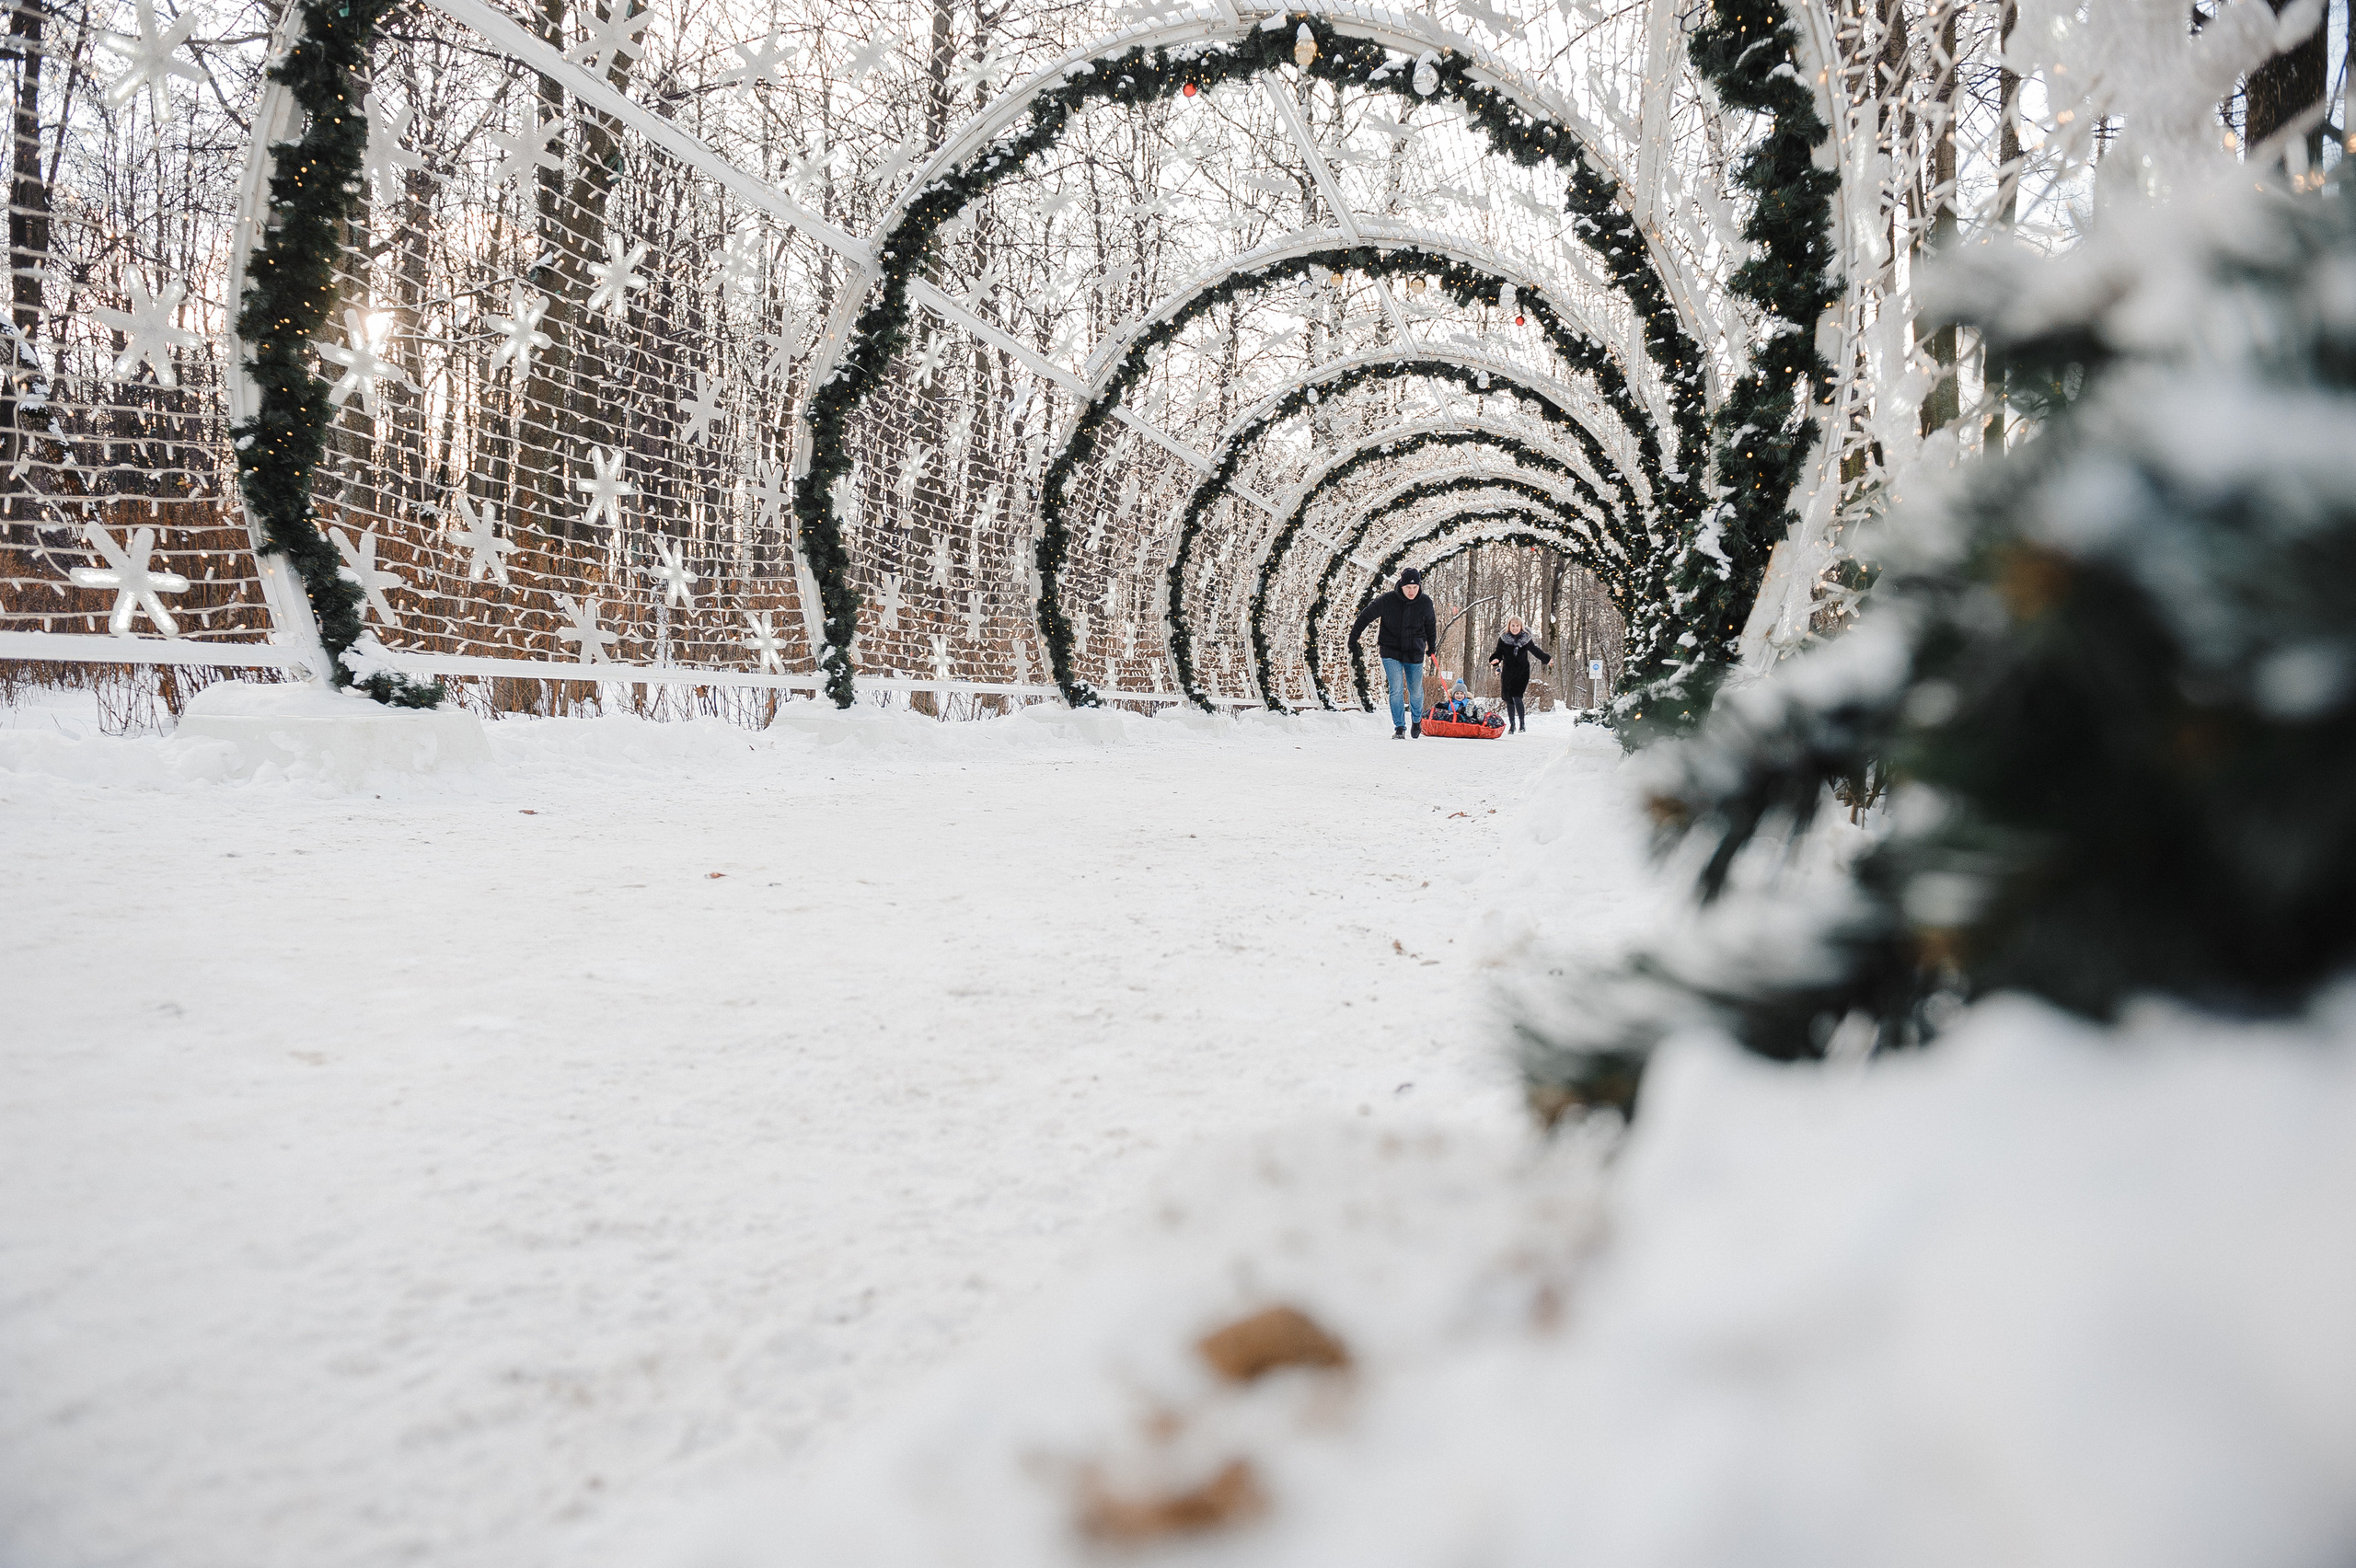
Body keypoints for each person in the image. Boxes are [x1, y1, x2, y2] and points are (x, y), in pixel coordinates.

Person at [1350, 568, 1439, 738]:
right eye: (1408, 588)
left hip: (1415, 652)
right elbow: (1365, 616)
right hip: (1391, 650)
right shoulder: (1387, 600)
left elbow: (1430, 626)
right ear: (1401, 585)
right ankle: (1399, 727)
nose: (1412, 591)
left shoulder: (1425, 603)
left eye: (1415, 587)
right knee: (1396, 689)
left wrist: (1432, 646)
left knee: (1415, 690)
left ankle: (1416, 720)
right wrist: (1353, 639)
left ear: (1419, 586)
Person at [1486, 616, 1553, 733]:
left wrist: (1546, 659)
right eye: (1513, 625)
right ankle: (1512, 725)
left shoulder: (1525, 639)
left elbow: (1535, 650)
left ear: (1521, 627)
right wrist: (1495, 660)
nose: (1515, 628)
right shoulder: (1503, 639)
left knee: (1517, 696)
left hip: (1522, 671)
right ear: (1509, 626)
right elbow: (1498, 653)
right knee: (1509, 699)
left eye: (1517, 626)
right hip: (1508, 672)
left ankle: (1522, 724)